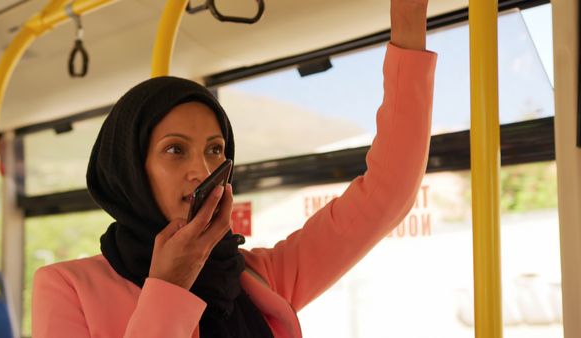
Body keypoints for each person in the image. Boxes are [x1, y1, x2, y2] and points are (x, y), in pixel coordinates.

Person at [32, 0, 437, 337]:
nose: (201, 169)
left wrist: (408, 23)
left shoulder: (259, 277)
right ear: (130, 171)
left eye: (215, 149)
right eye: (175, 149)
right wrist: (169, 286)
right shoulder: (68, 288)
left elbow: (388, 190)